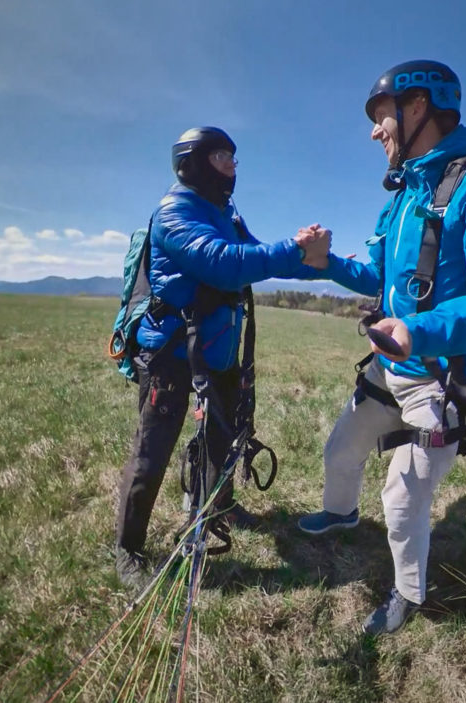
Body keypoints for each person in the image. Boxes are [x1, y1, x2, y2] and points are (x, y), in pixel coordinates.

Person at [296, 60, 466, 635]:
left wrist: (420, 330)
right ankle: (340, 512)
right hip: (391, 365)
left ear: (418, 108)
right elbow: (377, 275)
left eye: (382, 118)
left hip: (443, 378)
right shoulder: (402, 198)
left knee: (401, 504)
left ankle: (409, 594)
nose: (375, 132)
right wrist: (327, 262)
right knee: (339, 453)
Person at [115, 126, 330, 588]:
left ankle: (214, 507)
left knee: (223, 439)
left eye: (234, 157)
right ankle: (128, 549)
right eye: (221, 157)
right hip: (172, 357)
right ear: (191, 163)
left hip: (218, 352)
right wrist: (294, 248)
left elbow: (254, 255)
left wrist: (317, 262)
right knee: (151, 454)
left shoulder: (225, 213)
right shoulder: (174, 212)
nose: (232, 165)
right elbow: (225, 263)